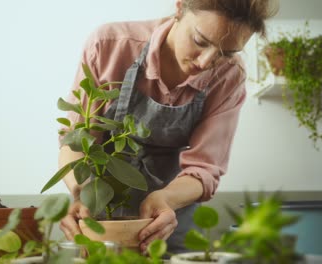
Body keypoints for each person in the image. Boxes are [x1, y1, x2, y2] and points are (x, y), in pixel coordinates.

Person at [59, 0, 278, 254]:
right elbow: (75, 142)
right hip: (99, 219)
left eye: (225, 53)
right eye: (200, 41)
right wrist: (81, 192)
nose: (206, 62)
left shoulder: (229, 76)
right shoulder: (110, 45)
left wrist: (166, 199)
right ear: (180, 7)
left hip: (169, 221)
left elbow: (205, 169)